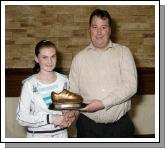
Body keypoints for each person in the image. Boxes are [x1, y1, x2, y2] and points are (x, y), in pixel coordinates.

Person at [69, 9, 137, 138]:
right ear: (89, 30)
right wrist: (71, 111)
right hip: (87, 127)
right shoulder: (78, 58)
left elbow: (131, 86)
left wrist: (102, 104)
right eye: (95, 27)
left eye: (103, 27)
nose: (99, 32)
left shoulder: (124, 52)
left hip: (120, 128)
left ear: (110, 30)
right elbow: (74, 93)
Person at [16, 40, 76, 138]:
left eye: (53, 56)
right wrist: (50, 119)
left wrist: (69, 114)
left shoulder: (64, 81)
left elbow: (66, 108)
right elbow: (21, 118)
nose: (50, 61)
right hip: (37, 137)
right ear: (36, 59)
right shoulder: (29, 84)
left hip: (61, 135)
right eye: (45, 57)